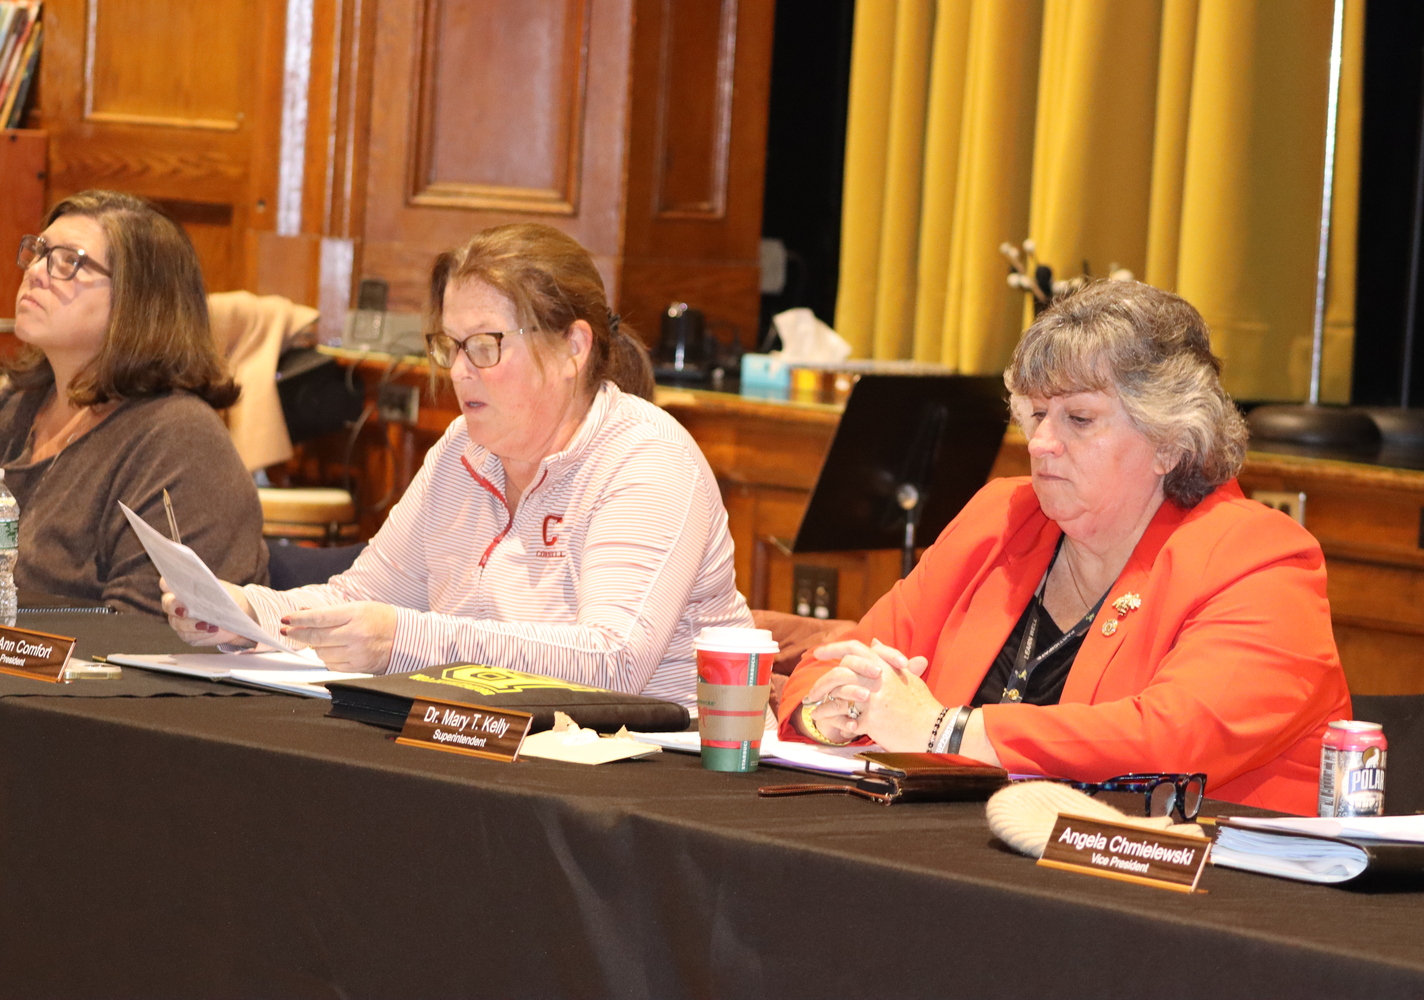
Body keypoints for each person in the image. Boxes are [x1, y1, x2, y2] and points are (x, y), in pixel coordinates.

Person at [778, 281, 1351, 816]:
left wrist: (944, 731)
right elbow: (834, 661)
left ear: (1171, 441)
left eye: (1079, 418)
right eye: (1035, 414)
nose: (1043, 444)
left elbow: (1167, 742)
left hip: (1198, 889)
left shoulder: (1259, 558)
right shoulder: (1003, 516)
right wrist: (834, 712)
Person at [164, 223, 752, 709]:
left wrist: (403, 639)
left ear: (574, 347)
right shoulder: (458, 452)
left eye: (486, 345)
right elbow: (360, 597)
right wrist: (244, 611)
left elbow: (613, 662)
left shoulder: (646, 456)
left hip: (661, 774)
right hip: (497, 748)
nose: (460, 370)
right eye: (450, 345)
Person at [0, 190, 268, 614]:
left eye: (68, 261)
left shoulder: (180, 441)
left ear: (139, 299)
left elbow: (146, 634)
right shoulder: (16, 407)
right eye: (39, 252)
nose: (35, 272)